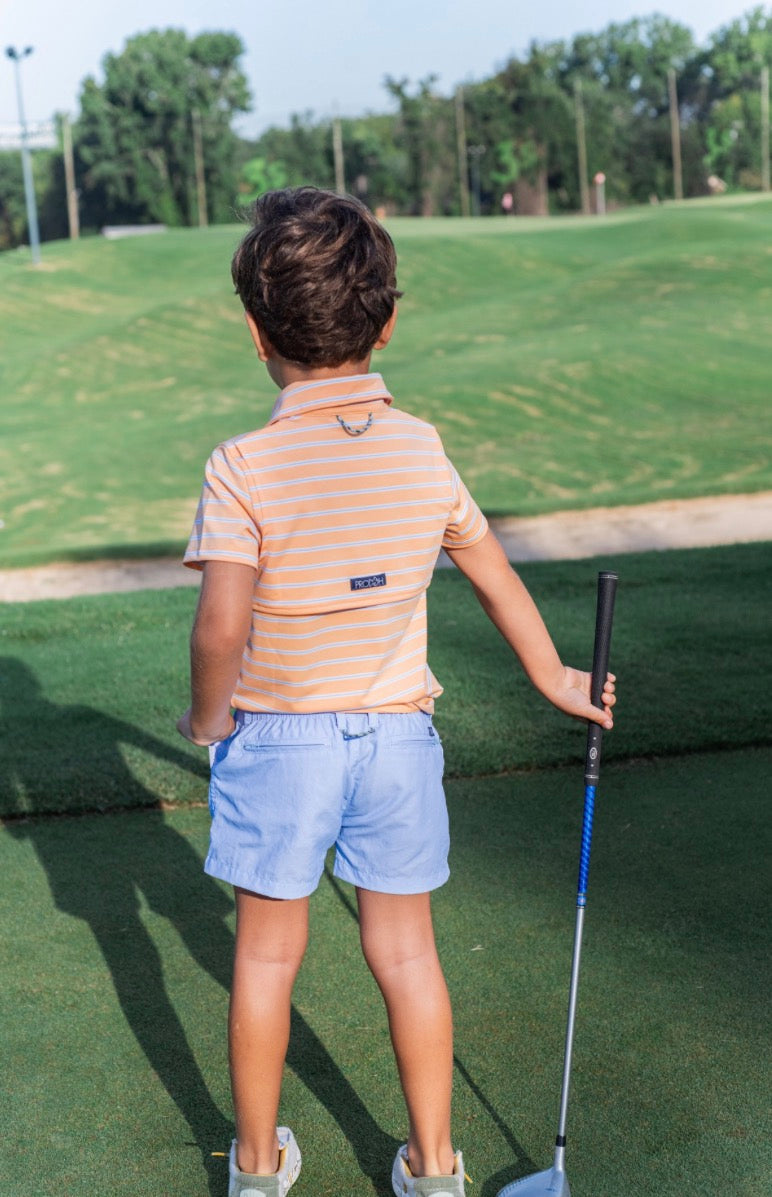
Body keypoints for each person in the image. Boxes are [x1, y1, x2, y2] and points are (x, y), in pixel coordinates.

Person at [177, 186, 616, 1197]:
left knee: (265, 960)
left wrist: (207, 717)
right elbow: (492, 569)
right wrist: (552, 674)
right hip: (397, 743)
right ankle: (432, 1163)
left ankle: (253, 1166)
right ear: (389, 319)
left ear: (255, 334)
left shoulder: (242, 465)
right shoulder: (421, 447)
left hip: (280, 740)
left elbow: (219, 627)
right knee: (407, 954)